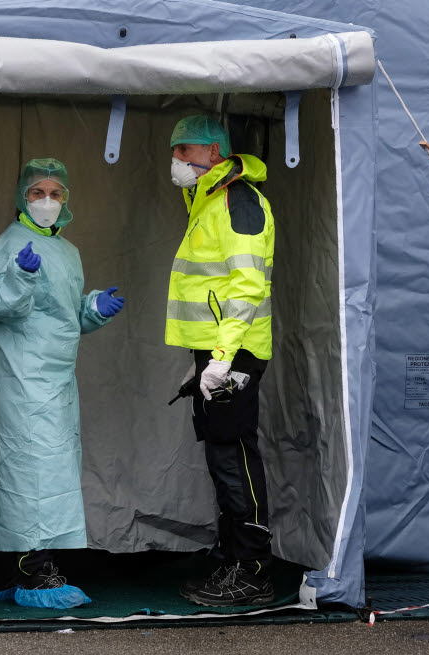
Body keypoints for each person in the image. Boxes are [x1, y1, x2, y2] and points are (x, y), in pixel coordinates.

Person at [0, 157, 124, 608]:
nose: (47, 201)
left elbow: (64, 316)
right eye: (38, 192)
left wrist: (94, 308)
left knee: (40, 467)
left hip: (57, 377)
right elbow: (0, 306)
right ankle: (33, 566)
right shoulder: (8, 246)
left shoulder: (68, 252)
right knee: (29, 468)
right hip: (21, 376)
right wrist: (19, 276)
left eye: (56, 193)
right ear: (23, 197)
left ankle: (5, 565)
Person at [166, 115, 276, 606]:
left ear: (213, 151)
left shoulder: (238, 200)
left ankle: (251, 570)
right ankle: (234, 560)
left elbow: (248, 285)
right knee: (221, 455)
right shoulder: (210, 198)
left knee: (234, 456)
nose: (176, 162)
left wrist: (223, 356)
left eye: (183, 151)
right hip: (218, 352)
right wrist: (203, 359)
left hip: (234, 353)